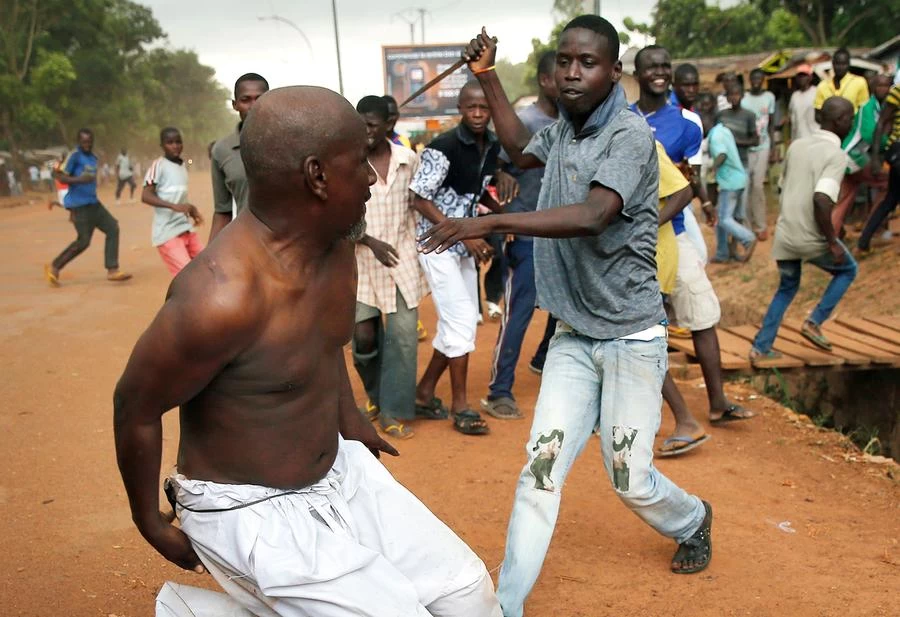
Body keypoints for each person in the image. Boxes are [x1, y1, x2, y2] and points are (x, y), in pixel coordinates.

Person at [113, 85, 502, 617]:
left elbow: (324, 344)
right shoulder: (219, 299)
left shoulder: (336, 246)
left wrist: (349, 417)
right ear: (318, 176)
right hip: (250, 510)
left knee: (468, 598)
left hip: (337, 474)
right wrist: (151, 524)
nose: (371, 176)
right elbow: (134, 408)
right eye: (359, 161)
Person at [422, 19, 714, 616]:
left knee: (629, 476)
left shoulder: (629, 136)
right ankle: (506, 606)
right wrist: (486, 75)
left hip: (632, 334)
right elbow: (517, 149)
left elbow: (592, 215)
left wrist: (488, 222)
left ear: (613, 72)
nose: (572, 72)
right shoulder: (563, 131)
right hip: (576, 336)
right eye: (565, 62)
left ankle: (691, 518)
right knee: (541, 468)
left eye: (588, 62)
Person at [631, 45, 752, 453]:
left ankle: (717, 403)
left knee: (701, 312)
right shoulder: (621, 118)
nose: (661, 73)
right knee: (641, 326)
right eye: (654, 68)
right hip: (629, 238)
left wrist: (704, 203)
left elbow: (687, 176)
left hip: (673, 230)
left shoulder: (688, 123)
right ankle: (672, 416)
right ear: (637, 73)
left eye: (666, 66)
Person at [409, 80, 500, 436]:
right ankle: (460, 406)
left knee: (457, 322)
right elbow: (419, 198)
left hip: (462, 242)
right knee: (462, 319)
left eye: (483, 108)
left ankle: (424, 391)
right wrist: (466, 232)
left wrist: (485, 221)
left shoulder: (492, 144)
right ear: (460, 109)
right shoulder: (443, 146)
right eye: (470, 108)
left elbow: (480, 191)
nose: (477, 114)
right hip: (436, 242)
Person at [480, 50, 558, 421]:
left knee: (565, 308)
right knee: (518, 314)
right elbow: (488, 158)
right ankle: (499, 391)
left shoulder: (576, 124)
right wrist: (499, 174)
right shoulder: (525, 121)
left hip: (565, 234)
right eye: (564, 74)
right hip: (526, 233)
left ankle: (543, 359)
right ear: (546, 80)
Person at [750, 97, 856, 361]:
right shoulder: (836, 155)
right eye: (850, 118)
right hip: (810, 237)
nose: (852, 123)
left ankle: (760, 347)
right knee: (848, 269)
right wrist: (831, 240)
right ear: (840, 121)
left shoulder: (797, 146)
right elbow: (822, 198)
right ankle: (814, 321)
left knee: (787, 288)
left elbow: (783, 186)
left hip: (785, 235)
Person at [351, 95, 428, 440]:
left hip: (402, 261)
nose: (365, 131)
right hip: (361, 264)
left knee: (403, 339)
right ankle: (375, 396)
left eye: (371, 124)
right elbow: (337, 216)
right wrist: (369, 241)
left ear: (388, 126)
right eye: (360, 124)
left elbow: (419, 204)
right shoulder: (348, 164)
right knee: (363, 338)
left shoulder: (408, 160)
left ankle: (394, 410)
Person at [44, 129, 131, 287]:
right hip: (79, 206)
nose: (87, 144)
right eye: (84, 142)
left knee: (113, 228)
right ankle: (55, 266)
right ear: (78, 141)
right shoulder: (74, 156)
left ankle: (112, 269)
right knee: (83, 241)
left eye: (89, 141)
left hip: (93, 203)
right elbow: (59, 175)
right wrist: (79, 179)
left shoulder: (93, 158)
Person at [208, 72, 270, 242]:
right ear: (235, 105)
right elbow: (223, 212)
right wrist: (208, 259)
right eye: (246, 100)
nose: (253, 105)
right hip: (249, 245)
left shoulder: (292, 141)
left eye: (260, 98)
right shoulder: (222, 150)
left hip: (294, 248)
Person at [832, 74, 892, 235]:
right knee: (887, 184)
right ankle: (871, 227)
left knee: (846, 197)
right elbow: (869, 135)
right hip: (854, 155)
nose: (883, 89)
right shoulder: (868, 107)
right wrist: (889, 139)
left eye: (886, 86)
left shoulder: (881, 107)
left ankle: (830, 238)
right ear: (873, 88)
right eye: (879, 85)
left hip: (848, 157)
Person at [140, 127, 205, 276]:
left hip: (185, 228)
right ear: (162, 145)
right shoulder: (159, 166)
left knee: (207, 267)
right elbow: (146, 196)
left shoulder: (182, 166)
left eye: (178, 142)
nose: (175, 146)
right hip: (168, 233)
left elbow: (179, 197)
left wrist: (191, 210)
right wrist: (173, 206)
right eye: (170, 142)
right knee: (186, 277)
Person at [703, 110, 757, 263]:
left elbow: (722, 154)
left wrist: (712, 169)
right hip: (739, 179)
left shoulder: (716, 136)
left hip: (730, 182)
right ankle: (723, 253)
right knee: (727, 218)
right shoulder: (724, 130)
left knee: (724, 218)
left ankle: (748, 239)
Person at [858, 79, 900, 253]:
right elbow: (881, 123)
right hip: (898, 148)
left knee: (891, 198)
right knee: (890, 198)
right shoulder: (897, 92)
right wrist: (875, 158)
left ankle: (863, 241)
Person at [741, 68, 777, 240]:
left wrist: (774, 148)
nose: (756, 81)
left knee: (758, 186)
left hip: (763, 146)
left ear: (763, 80)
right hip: (746, 147)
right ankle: (747, 226)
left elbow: (771, 124)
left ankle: (761, 225)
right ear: (750, 80)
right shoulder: (744, 99)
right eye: (753, 78)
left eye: (759, 78)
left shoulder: (769, 97)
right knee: (746, 186)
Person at [815, 48, 869, 122]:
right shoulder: (823, 86)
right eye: (837, 64)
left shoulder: (859, 82)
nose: (840, 67)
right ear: (833, 64)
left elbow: (864, 111)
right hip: (830, 131)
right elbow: (817, 114)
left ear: (848, 64)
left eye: (844, 64)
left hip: (852, 130)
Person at [788, 64, 819, 141]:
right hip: (798, 139)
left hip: (814, 138)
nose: (801, 78)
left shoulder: (817, 92)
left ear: (810, 77)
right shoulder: (794, 96)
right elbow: (792, 119)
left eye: (804, 75)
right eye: (799, 76)